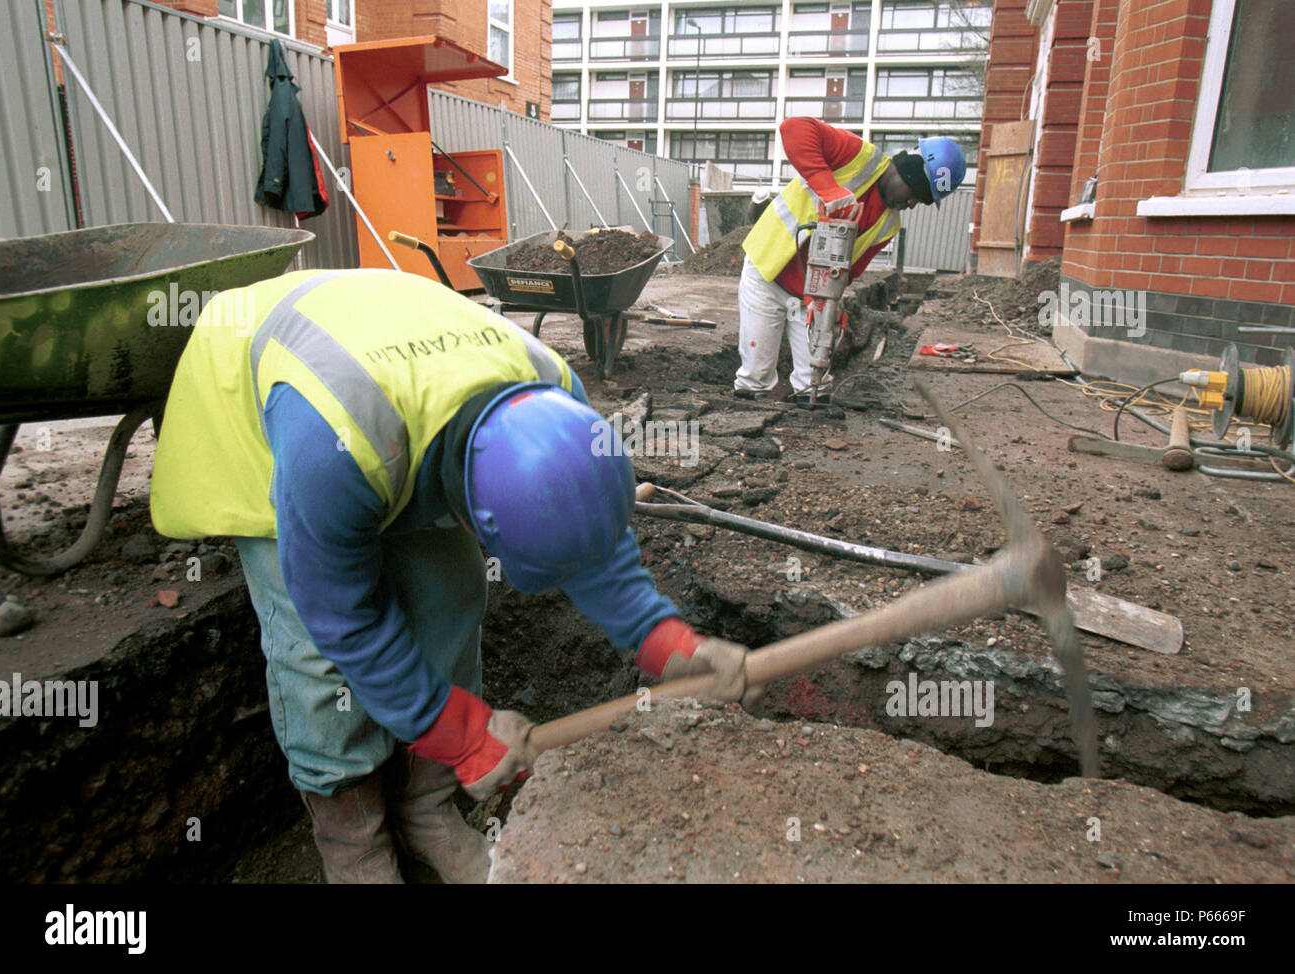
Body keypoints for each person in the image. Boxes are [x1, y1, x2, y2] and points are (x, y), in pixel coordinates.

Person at [148, 268, 754, 884]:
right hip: (266, 399)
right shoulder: (330, 448)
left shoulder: (557, 391)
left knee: (452, 592)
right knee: (316, 656)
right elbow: (343, 616)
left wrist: (666, 641)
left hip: (389, 388)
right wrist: (464, 736)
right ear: (471, 513)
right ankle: (353, 843)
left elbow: (588, 537)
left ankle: (427, 810)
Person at [734, 118, 966, 403]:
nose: (913, 204)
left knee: (814, 384)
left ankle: (803, 424)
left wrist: (830, 302)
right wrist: (828, 188)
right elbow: (792, 128)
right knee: (755, 377)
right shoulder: (857, 156)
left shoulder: (888, 224)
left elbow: (848, 271)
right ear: (907, 174)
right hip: (767, 271)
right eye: (917, 195)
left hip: (809, 293)